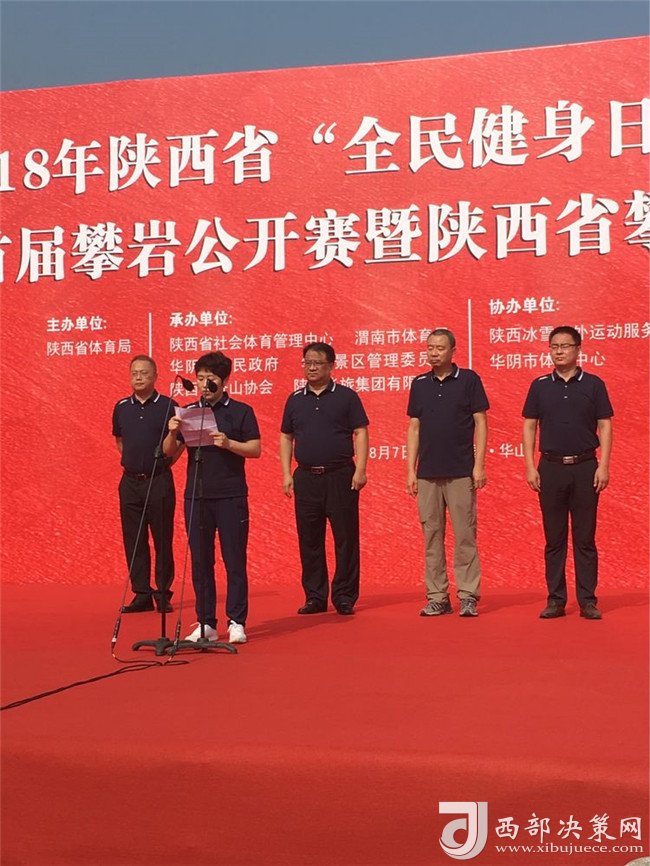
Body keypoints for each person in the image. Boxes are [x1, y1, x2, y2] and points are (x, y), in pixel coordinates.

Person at [164, 352, 260, 644]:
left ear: (224, 380)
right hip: (197, 495)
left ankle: (236, 621)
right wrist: (172, 432)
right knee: (201, 561)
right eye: (200, 378)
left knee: (234, 560)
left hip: (230, 495)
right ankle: (206, 622)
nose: (204, 384)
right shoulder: (188, 412)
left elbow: (255, 449)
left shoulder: (241, 411)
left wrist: (229, 443)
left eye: (211, 378)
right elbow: (169, 453)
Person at [522, 326, 613, 620]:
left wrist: (604, 465)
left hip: (586, 467)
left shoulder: (594, 384)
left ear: (578, 349)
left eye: (565, 346)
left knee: (585, 538)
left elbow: (605, 425)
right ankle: (556, 599)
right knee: (554, 538)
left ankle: (587, 600)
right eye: (554, 346)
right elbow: (529, 425)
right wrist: (530, 465)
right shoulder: (539, 386)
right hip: (550, 468)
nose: (559, 351)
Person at [280, 342, 369, 616]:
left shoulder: (346, 397)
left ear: (331, 366)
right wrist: (286, 473)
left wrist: (360, 469)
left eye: (317, 363)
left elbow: (360, 432)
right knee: (309, 539)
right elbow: (286, 436)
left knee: (345, 538)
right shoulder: (295, 399)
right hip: (306, 477)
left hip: (340, 475)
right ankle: (315, 596)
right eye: (307, 362)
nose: (311, 368)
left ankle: (344, 596)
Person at [406, 329, 489, 618]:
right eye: (430, 347)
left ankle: (467, 595)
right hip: (427, 472)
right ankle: (437, 596)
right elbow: (414, 427)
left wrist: (479, 465)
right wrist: (410, 470)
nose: (434, 352)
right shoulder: (419, 384)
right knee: (432, 536)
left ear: (453, 350)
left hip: (460, 471)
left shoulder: (468, 380)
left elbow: (480, 422)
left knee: (465, 535)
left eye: (440, 348)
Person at [112, 355, 177, 613]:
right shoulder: (121, 407)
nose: (138, 377)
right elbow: (120, 441)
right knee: (134, 539)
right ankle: (141, 593)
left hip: (159, 481)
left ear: (155, 376)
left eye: (144, 373)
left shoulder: (169, 406)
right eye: (134, 373)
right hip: (130, 482)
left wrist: (163, 464)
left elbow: (179, 443)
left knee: (162, 539)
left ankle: (162, 593)